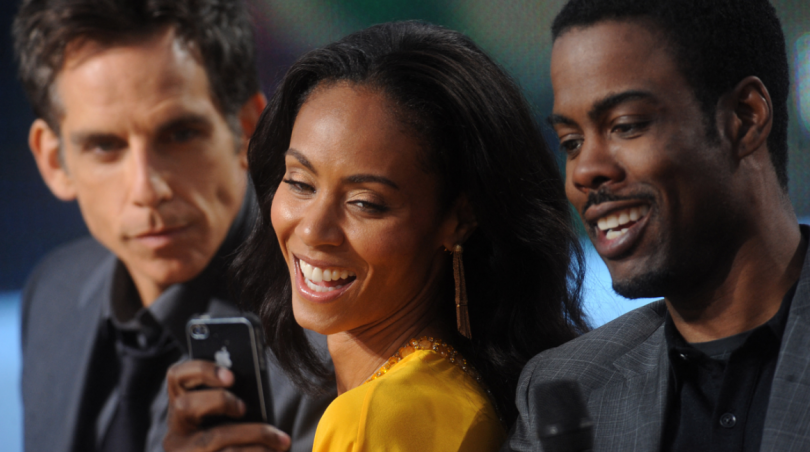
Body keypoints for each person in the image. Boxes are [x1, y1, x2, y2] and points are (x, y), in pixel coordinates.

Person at [165, 20, 590, 451]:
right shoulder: (446, 391)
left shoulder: (376, 418)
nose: (313, 229)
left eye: (365, 203)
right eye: (299, 182)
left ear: (459, 219)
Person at [13, 0, 333, 451]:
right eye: (105, 146)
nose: (147, 187)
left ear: (248, 130)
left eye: (180, 135)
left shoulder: (328, 344)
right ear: (53, 161)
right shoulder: (55, 291)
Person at [503, 0, 809, 451]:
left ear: (745, 118)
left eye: (626, 126)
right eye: (571, 142)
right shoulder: (566, 389)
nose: (585, 171)